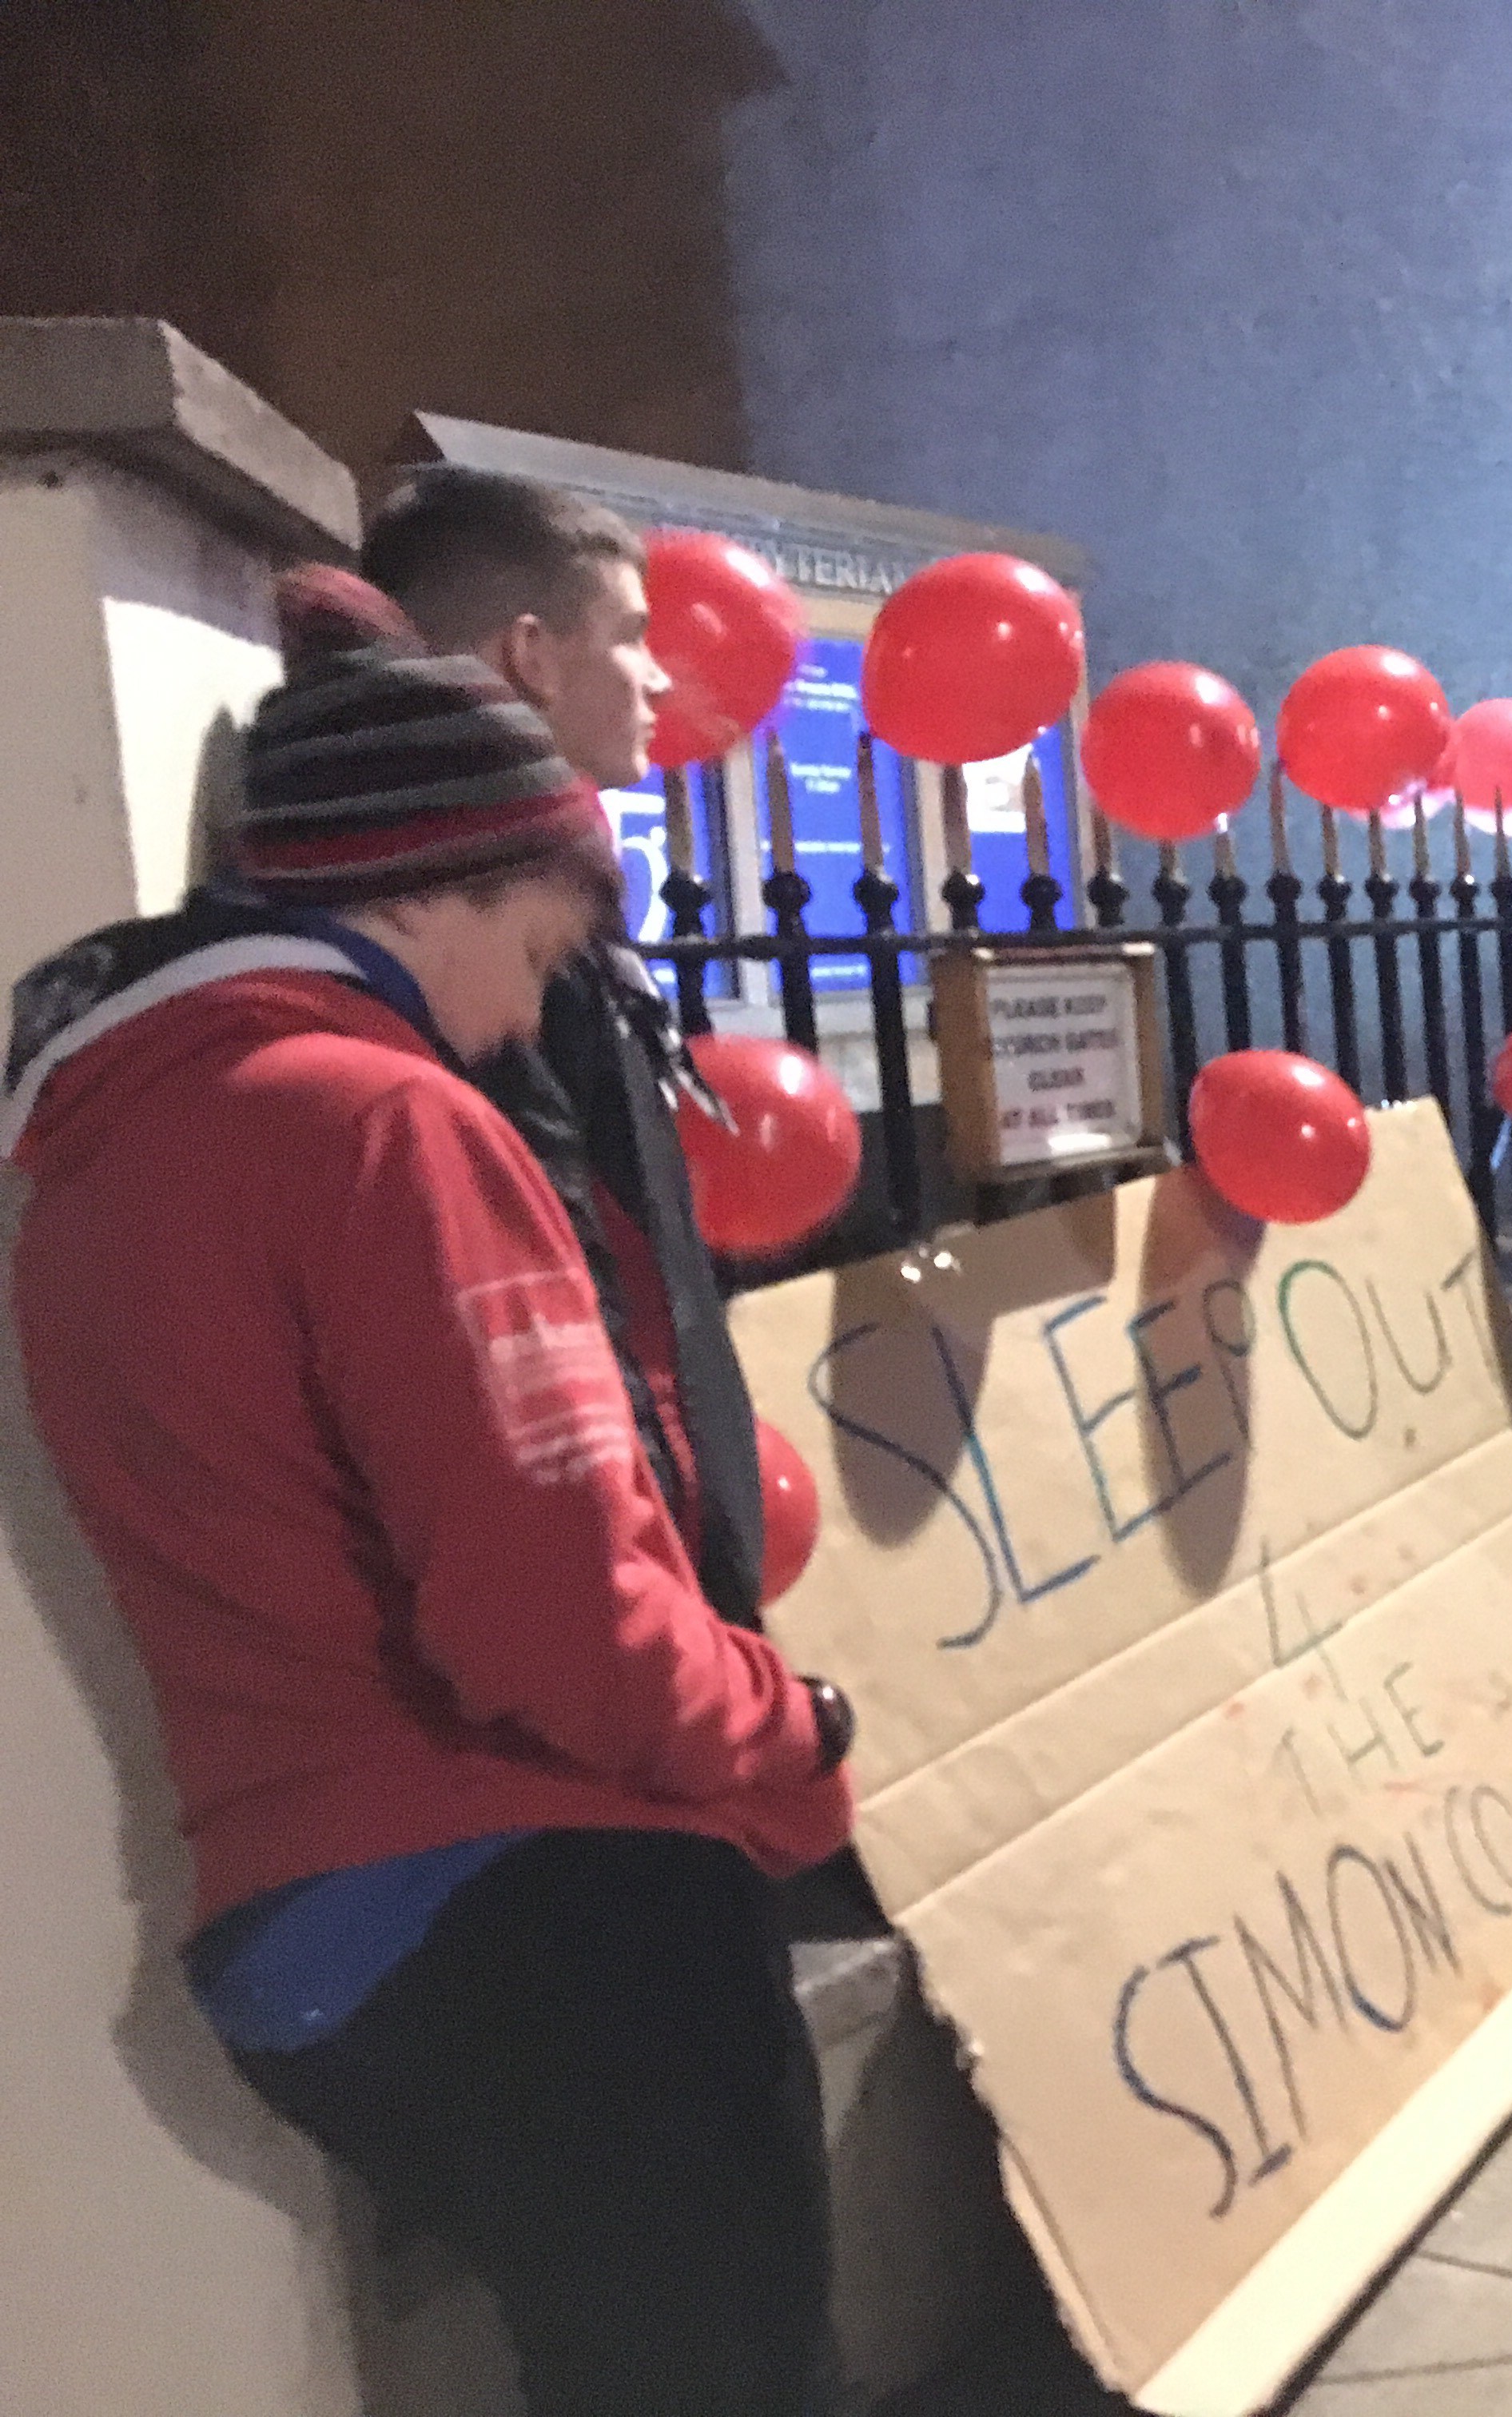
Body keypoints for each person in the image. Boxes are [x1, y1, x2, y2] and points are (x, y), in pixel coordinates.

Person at [3, 568, 857, 2415]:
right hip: (526, 1898)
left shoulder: (108, 1141)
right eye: (539, 957)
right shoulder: (386, 1123)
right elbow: (556, 1619)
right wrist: (793, 1730)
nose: (509, 1026)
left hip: (307, 1921)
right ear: (427, 895)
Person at [360, 467, 778, 1639]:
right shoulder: (482, 945)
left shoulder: (536, 902)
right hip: (636, 1613)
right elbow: (571, 1309)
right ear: (533, 655)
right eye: (632, 636)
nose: (659, 676)